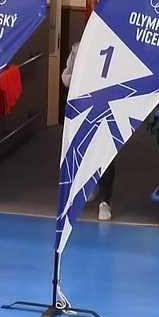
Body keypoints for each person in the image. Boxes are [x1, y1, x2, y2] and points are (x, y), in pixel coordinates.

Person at [60, 41, 115, 221]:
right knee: (85, 151)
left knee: (107, 154)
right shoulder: (78, 48)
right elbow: (65, 77)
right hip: (83, 108)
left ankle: (105, 201)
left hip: (108, 107)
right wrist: (78, 79)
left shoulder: (118, 47)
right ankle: (91, 185)